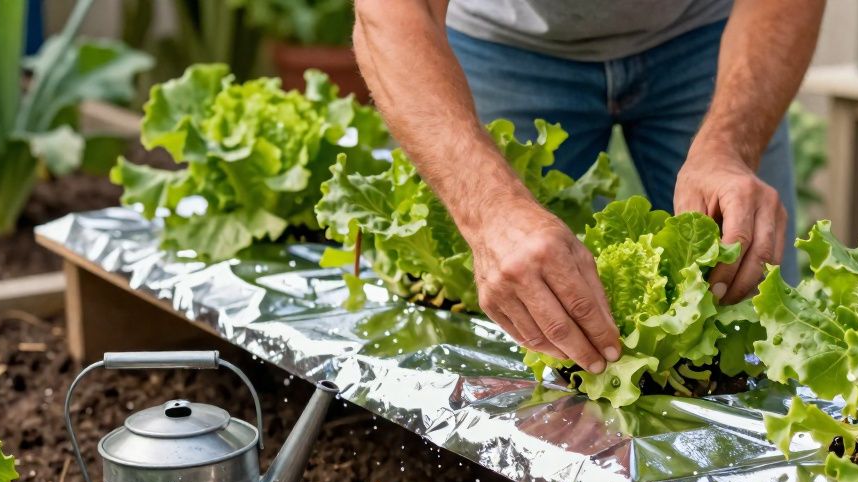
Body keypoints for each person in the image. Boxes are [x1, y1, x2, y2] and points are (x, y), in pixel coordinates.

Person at [351, 0, 825, 375]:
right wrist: (490, 210)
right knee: (512, 322)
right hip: (502, 47)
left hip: (709, 35)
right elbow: (391, 11)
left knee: (752, 314)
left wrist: (731, 145)